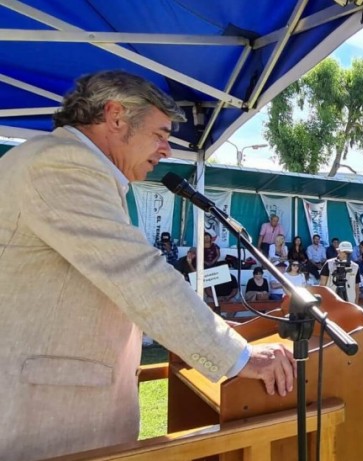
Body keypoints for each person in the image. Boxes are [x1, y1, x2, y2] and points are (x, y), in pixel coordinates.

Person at [0, 70, 296, 460]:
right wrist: (238, 357)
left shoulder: (60, 161)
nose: (167, 150)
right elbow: (140, 276)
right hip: (46, 422)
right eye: (159, 134)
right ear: (115, 117)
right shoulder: (62, 164)